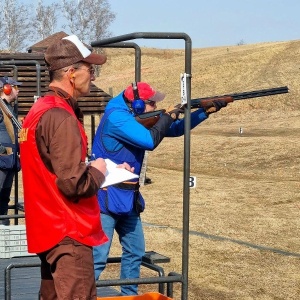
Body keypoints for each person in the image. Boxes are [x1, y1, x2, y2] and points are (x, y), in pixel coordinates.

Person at [92, 81, 228, 295]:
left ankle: (129, 296)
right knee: (98, 257)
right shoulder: (117, 118)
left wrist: (203, 113)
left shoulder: (129, 116)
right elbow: (149, 140)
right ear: (137, 105)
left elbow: (171, 130)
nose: (155, 108)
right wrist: (169, 115)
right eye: (151, 104)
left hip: (128, 197)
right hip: (105, 198)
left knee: (135, 252)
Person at [19, 34, 113, 300]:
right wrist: (98, 170)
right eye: (90, 69)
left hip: (48, 228)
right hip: (68, 229)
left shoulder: (40, 108)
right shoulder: (60, 115)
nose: (93, 76)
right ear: (72, 73)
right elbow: (73, 183)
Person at [0, 77, 22, 225]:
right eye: (15, 87)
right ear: (7, 88)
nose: (18, 91)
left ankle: (2, 224)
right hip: (2, 159)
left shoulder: (9, 108)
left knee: (4, 196)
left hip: (10, 160)